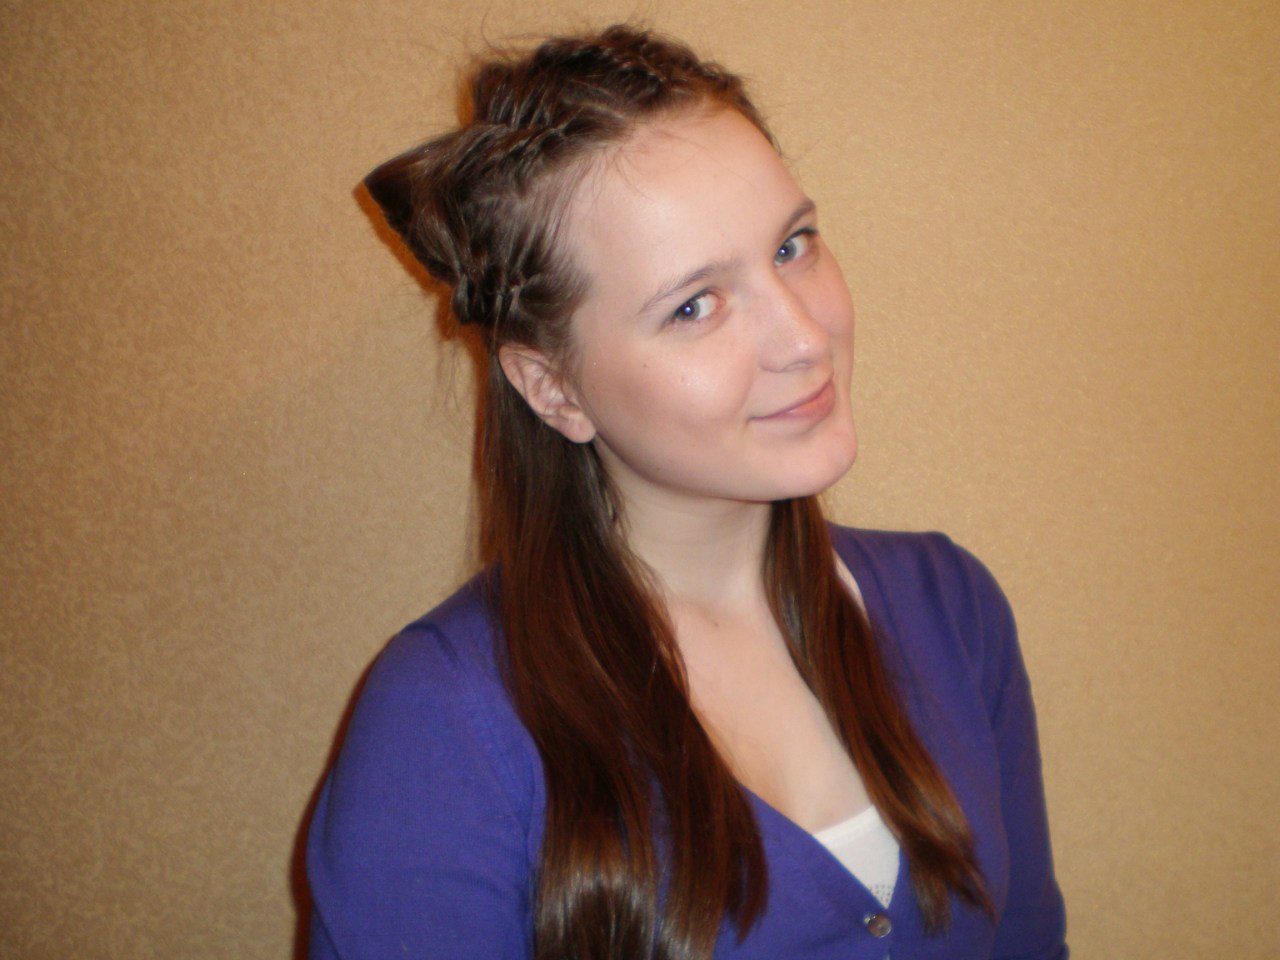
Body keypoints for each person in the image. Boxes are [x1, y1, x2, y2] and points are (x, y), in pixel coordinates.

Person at [306, 24, 1067, 960]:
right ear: (553, 388)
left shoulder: (954, 611)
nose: (803, 337)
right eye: (694, 306)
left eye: (792, 246)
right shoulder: (445, 727)